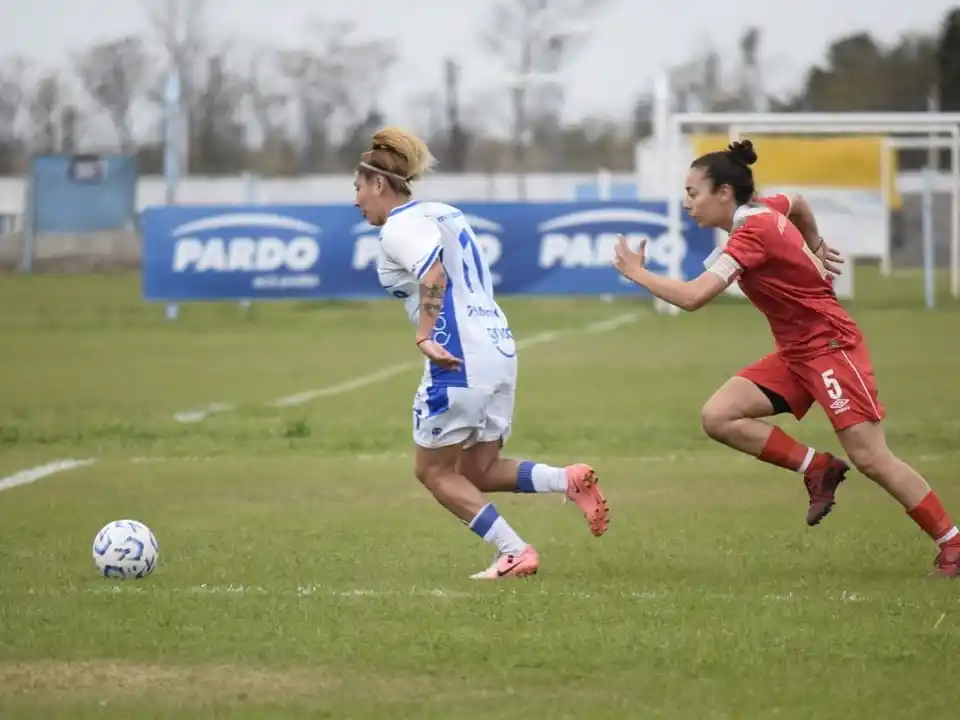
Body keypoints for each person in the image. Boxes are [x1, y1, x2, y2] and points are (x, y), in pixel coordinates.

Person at [611, 139, 960, 578]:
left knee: (872, 457)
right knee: (719, 416)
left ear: (724, 193)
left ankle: (953, 543)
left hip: (831, 348)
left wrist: (638, 274)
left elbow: (695, 296)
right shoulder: (762, 209)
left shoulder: (752, 233)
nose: (687, 203)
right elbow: (796, 202)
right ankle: (817, 466)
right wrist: (814, 244)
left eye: (693, 192)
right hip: (795, 353)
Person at [354, 126, 609, 580]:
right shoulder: (444, 212)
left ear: (378, 184)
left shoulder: (399, 226)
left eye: (358, 188)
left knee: (433, 472)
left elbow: (433, 276)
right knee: (478, 468)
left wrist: (425, 335)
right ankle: (565, 480)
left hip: (457, 354)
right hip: (498, 345)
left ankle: (513, 551)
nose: (356, 201)